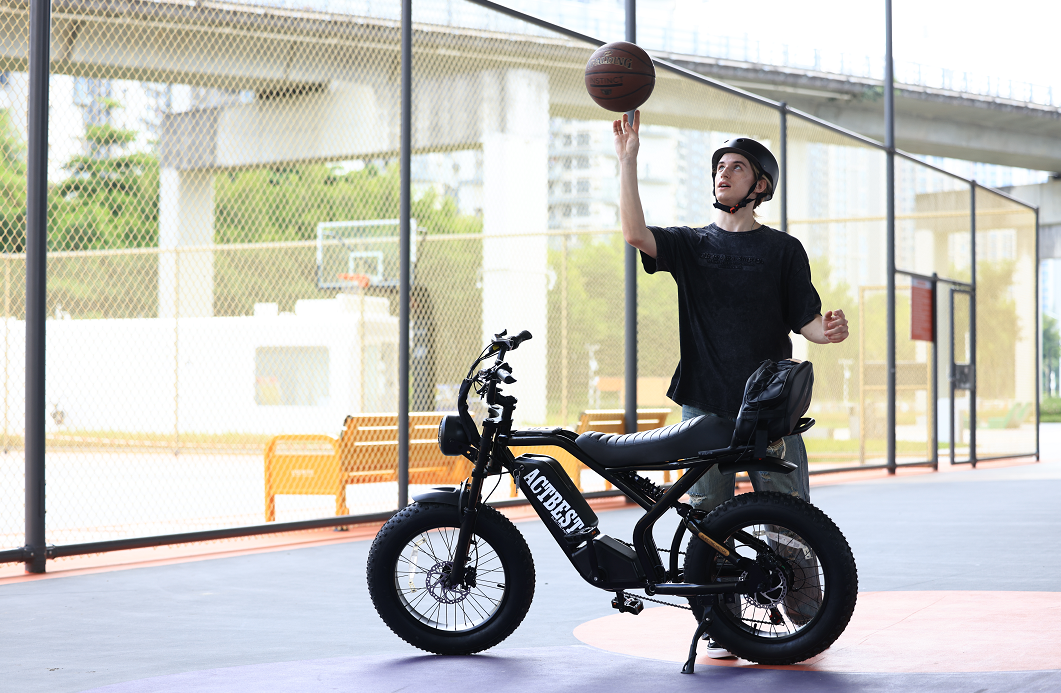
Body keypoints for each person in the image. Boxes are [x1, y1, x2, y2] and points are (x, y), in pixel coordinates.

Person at [613, 110, 849, 658]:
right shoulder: (693, 245)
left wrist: (828, 332)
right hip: (705, 403)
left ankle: (805, 619)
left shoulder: (783, 250)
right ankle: (723, 625)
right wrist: (628, 162)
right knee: (709, 522)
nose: (723, 173)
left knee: (788, 517)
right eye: (720, 165)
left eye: (736, 166)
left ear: (759, 185)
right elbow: (634, 233)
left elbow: (807, 322)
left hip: (770, 409)